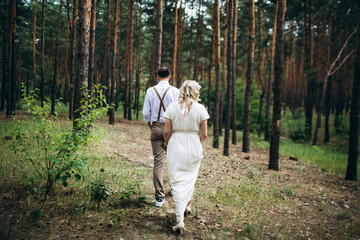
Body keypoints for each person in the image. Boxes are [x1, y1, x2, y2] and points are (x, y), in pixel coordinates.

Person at [163, 80, 209, 234]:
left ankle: (179, 220)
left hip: (176, 144)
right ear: (195, 92)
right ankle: (187, 205)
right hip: (193, 144)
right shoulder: (201, 108)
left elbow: (165, 132)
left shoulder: (172, 107)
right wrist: (197, 143)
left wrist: (169, 144)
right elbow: (204, 134)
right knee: (190, 178)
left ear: (182, 90)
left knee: (176, 181)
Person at [142, 67, 179, 207]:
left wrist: (151, 126)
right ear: (170, 77)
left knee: (158, 162)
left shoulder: (150, 91)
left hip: (157, 126)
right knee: (174, 160)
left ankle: (159, 197)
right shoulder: (176, 91)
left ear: (157, 76)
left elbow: (146, 113)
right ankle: (175, 190)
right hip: (172, 128)